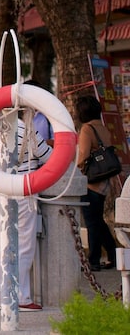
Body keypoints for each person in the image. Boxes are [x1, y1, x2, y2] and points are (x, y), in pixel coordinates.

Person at [0, 111, 51, 312]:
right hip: (21, 190)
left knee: (0, 244)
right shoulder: (28, 131)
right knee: (23, 244)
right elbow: (48, 157)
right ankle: (19, 296)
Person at [75, 95, 119, 272]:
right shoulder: (102, 127)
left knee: (92, 222)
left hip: (91, 182)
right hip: (104, 181)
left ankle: (93, 260)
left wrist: (79, 170)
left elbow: (84, 155)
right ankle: (113, 254)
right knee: (98, 221)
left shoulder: (87, 129)